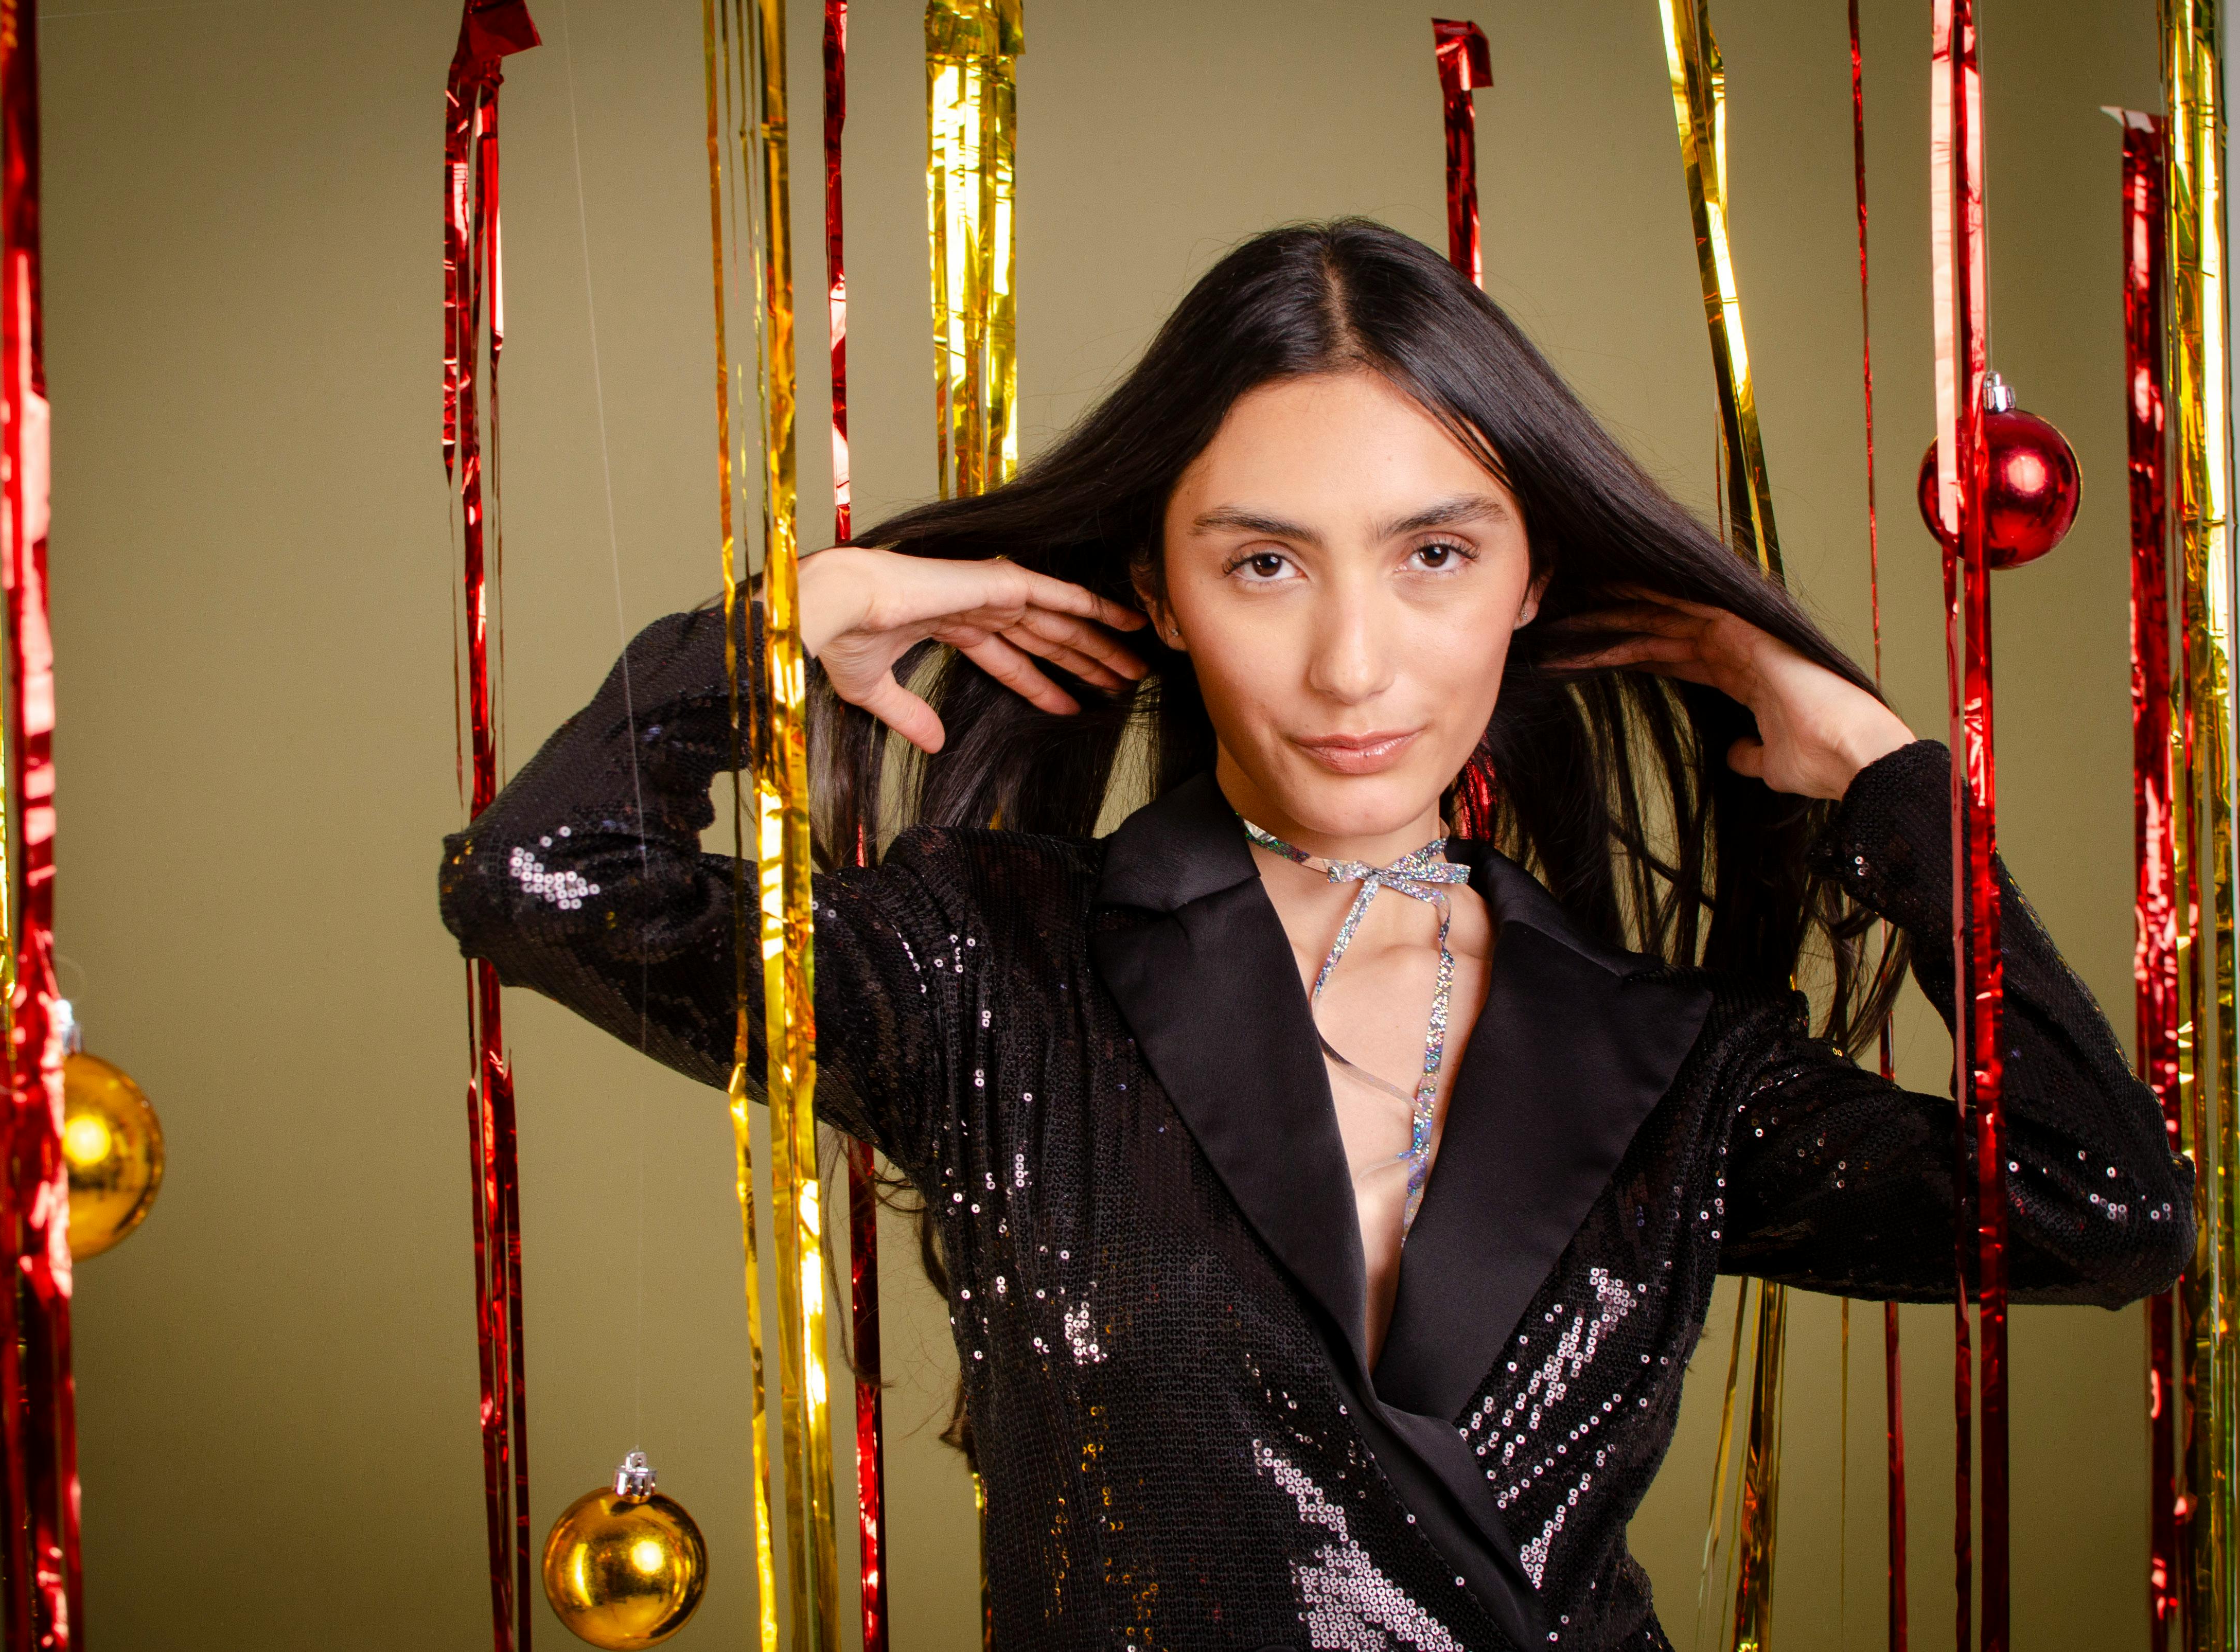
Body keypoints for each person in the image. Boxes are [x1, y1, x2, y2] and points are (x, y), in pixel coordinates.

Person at [439, 220, 2188, 1651]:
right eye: (1264, 565)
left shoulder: (1672, 1058)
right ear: (1159, 591)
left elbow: (2104, 1210)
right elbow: (542, 881)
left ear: (1533, 578)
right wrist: (786, 621)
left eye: (1434, 552)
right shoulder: (994, 971)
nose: (1356, 666)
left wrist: (1893, 789)